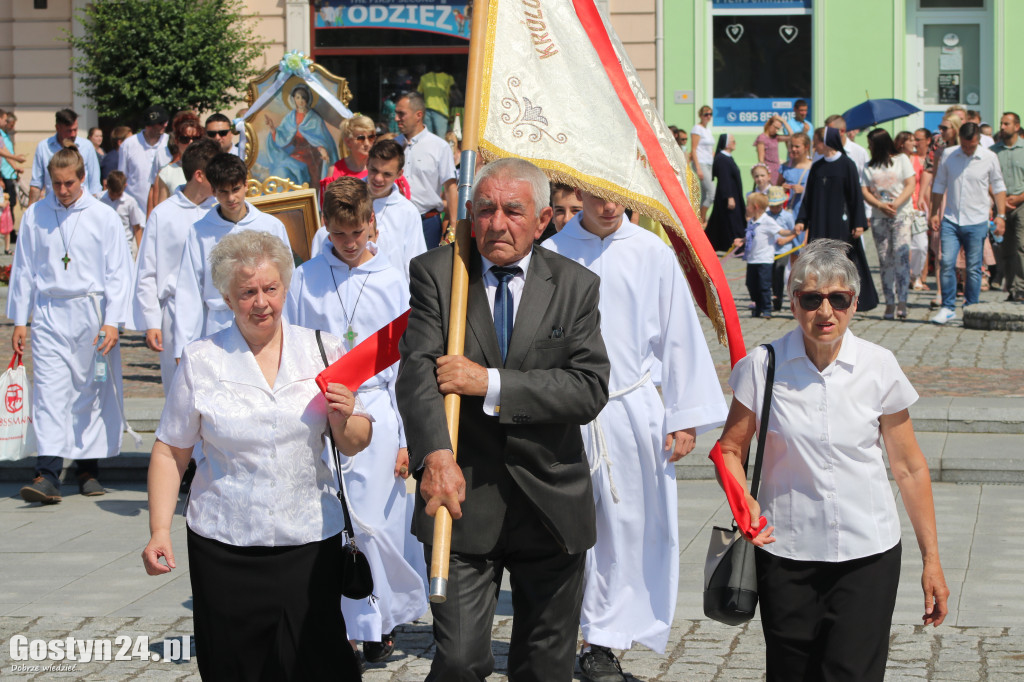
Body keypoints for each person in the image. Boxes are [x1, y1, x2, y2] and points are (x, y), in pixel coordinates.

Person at [395, 157, 610, 681]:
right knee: (462, 660)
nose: (497, 223)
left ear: (542, 220)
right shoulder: (441, 276)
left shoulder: (575, 285)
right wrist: (436, 458)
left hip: (551, 500)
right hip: (462, 493)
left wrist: (489, 383)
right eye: (486, 209)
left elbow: (588, 389)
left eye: (513, 211)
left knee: (544, 666)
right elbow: (417, 375)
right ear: (470, 213)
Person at [716, 238, 949, 681]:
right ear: (793, 302)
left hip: (868, 553)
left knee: (854, 674)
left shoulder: (879, 366)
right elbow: (730, 448)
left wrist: (932, 561)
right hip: (786, 552)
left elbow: (910, 467)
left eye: (838, 299)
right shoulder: (762, 367)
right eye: (811, 299)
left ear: (854, 303)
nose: (825, 312)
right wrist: (741, 502)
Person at [142, 230, 371, 681]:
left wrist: (346, 418)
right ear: (228, 298)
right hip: (225, 544)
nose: (261, 302)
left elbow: (356, 440)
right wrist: (158, 531)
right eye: (247, 292)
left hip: (309, 539)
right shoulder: (201, 359)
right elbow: (171, 450)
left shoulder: (322, 349)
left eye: (270, 289)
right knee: (236, 666)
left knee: (318, 663)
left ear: (285, 287)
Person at [545, 189, 727, 681]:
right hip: (563, 410)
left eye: (620, 199)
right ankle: (557, 634)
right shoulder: (551, 253)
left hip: (629, 407)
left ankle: (603, 642)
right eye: (600, 198)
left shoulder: (652, 253)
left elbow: (678, 333)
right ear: (579, 192)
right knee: (563, 529)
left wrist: (683, 414)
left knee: (627, 527)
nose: (610, 208)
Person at [285, 177, 428, 665]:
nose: (348, 244)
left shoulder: (394, 280)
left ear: (372, 223)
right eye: (339, 234)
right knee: (335, 520)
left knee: (378, 521)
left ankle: (380, 621)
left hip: (378, 407)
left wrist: (410, 437)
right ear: (326, 225)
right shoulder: (305, 277)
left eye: (356, 233)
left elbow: (409, 364)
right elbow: (294, 344)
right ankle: (347, 625)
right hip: (322, 407)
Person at [8, 146, 133, 504]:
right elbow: (24, 270)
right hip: (49, 313)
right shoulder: (35, 215)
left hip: (90, 313)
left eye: (69, 183)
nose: (62, 190)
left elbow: (118, 273)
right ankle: (46, 473)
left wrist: (112, 321)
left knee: (89, 389)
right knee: (49, 391)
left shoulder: (103, 216)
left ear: (83, 179)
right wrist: (21, 320)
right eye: (56, 183)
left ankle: (87, 469)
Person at [173, 153, 292, 358]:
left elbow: (286, 280)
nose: (231, 199)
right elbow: (189, 290)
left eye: (236, 190)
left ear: (246, 185)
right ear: (213, 191)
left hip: (264, 318)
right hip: (219, 323)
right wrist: (183, 346)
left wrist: (289, 330)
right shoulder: (200, 231)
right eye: (223, 192)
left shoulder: (271, 225)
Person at [132, 137, 220, 392]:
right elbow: (147, 270)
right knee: (180, 390)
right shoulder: (163, 213)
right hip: (175, 311)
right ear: (200, 175)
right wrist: (151, 321)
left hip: (217, 310)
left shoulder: (221, 210)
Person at [929, 122, 1007, 325]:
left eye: (971, 146)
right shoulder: (949, 155)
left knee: (973, 267)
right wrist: (934, 212)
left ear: (978, 140)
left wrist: (1001, 215)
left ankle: (971, 306)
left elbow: (998, 187)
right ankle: (947, 307)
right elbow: (939, 183)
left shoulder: (989, 157)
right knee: (947, 263)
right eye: (964, 145)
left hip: (977, 219)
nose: (967, 149)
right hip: (951, 219)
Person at [795, 127, 878, 311]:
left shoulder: (847, 164)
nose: (814, 146)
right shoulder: (817, 166)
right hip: (819, 220)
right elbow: (808, 196)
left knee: (845, 260)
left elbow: (855, 195)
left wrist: (858, 222)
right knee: (818, 259)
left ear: (825, 142)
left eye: (816, 141)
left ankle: (849, 297)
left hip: (841, 223)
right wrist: (802, 219)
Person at [861, 129, 916, 320]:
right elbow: (865, 190)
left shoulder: (901, 160)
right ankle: (889, 303)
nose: (869, 147)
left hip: (901, 214)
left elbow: (910, 183)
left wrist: (897, 202)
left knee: (901, 257)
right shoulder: (869, 166)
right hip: (879, 216)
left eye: (871, 143)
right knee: (885, 259)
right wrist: (879, 205)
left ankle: (902, 301)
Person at [394, 91, 458, 247]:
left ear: (418, 115)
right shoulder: (393, 146)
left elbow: (450, 187)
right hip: (396, 220)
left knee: (425, 269)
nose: (396, 119)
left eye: (401, 114)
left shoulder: (439, 146)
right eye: (396, 114)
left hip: (427, 223)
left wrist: (454, 226)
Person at [363, 139, 427, 284]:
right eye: (374, 170)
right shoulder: (351, 198)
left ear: (399, 174)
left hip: (391, 292)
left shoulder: (407, 211)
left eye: (387, 174)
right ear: (367, 163)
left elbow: (415, 262)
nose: (378, 178)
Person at [259, 84, 338, 186]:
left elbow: (321, 139)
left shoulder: (314, 118)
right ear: (293, 99)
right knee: (283, 169)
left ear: (307, 99)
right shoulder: (290, 117)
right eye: (298, 97)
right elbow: (283, 138)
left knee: (301, 170)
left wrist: (322, 149)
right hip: (296, 153)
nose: (300, 101)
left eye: (303, 98)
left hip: (312, 156)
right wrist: (272, 129)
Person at [734, 192, 789, 319]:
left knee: (764, 286)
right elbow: (750, 236)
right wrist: (742, 240)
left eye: (748, 205)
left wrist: (793, 232)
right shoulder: (751, 222)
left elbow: (780, 231)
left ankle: (766, 309)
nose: (746, 208)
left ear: (756, 207)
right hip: (752, 259)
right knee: (751, 284)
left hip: (764, 260)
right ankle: (757, 306)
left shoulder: (767, 221)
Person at [29, 108, 102, 204]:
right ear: (58, 128)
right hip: (53, 208)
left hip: (81, 207)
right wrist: (30, 212)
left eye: (75, 129)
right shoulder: (43, 147)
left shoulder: (87, 146)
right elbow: (36, 184)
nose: (73, 134)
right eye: (68, 131)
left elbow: (95, 184)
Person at [992, 112, 1024, 302]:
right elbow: (988, 180)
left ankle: (1021, 288)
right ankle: (1011, 288)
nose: (1002, 127)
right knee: (1006, 249)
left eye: (1006, 123)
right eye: (1001, 123)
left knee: (1021, 246)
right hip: (1001, 206)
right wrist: (1000, 202)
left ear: (1017, 126)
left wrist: (1019, 198)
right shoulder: (993, 152)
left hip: (1021, 204)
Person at [118, 105, 171, 210]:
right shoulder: (128, 144)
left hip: (163, 208)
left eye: (166, 121)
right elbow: (122, 177)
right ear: (149, 125)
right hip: (135, 211)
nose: (165, 125)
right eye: (161, 123)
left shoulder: (170, 143)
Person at [149, 112, 202, 213]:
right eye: (184, 139)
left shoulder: (211, 169)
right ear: (177, 141)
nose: (191, 143)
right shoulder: (166, 172)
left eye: (195, 139)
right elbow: (161, 211)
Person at [320, 114, 375, 201]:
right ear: (348, 141)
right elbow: (326, 208)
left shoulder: (381, 169)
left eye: (371, 137)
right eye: (361, 138)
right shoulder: (334, 171)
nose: (367, 143)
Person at [705, 134, 745, 252]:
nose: (735, 143)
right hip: (728, 196)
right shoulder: (722, 159)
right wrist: (729, 197)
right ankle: (735, 246)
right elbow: (724, 179)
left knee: (719, 221)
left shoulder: (726, 157)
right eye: (733, 141)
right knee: (732, 221)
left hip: (732, 194)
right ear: (726, 143)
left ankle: (713, 244)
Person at [99, 170, 145, 259]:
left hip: (125, 248)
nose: (115, 196)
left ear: (125, 186)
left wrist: (140, 251)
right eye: (112, 194)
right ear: (106, 186)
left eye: (119, 194)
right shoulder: (99, 199)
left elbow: (137, 228)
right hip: (104, 246)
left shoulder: (130, 202)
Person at [766, 186, 797, 312]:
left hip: (783, 250)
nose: (775, 208)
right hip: (769, 250)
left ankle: (778, 299)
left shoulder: (787, 216)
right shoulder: (766, 215)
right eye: (772, 206)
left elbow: (795, 232)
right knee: (769, 275)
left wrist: (785, 240)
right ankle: (770, 297)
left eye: (777, 205)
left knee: (779, 274)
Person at [0, 109, 25, 254]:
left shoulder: (4, 136)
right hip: (3, 175)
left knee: (9, 205)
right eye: (4, 119)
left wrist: (15, 166)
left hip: (5, 174)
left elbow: (5, 153)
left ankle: (8, 242)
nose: (5, 121)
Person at [779, 132, 813, 225]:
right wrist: (782, 189)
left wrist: (803, 190)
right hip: (788, 213)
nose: (793, 149)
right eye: (792, 146)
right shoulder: (784, 167)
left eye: (797, 146)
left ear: (806, 147)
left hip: (806, 213)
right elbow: (776, 188)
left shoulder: (813, 167)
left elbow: (820, 191)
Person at [690, 105, 715, 223]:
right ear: (701, 116)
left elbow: (710, 149)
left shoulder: (708, 130)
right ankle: (701, 218)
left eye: (710, 114)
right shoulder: (697, 129)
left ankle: (700, 219)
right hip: (701, 162)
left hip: (709, 163)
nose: (708, 117)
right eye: (706, 114)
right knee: (712, 193)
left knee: (705, 193)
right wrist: (698, 168)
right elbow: (694, 149)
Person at [417, 70, 456, 137]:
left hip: (431, 109)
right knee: (439, 137)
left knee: (428, 137)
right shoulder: (448, 77)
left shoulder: (424, 77)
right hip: (440, 110)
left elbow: (419, 93)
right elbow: (453, 92)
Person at [755, 115, 793, 184]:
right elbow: (761, 159)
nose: (776, 130)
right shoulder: (762, 138)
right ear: (769, 125)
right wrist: (765, 174)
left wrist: (784, 121)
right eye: (775, 127)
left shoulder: (775, 137)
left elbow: (792, 136)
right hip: (769, 169)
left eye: (778, 129)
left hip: (777, 169)